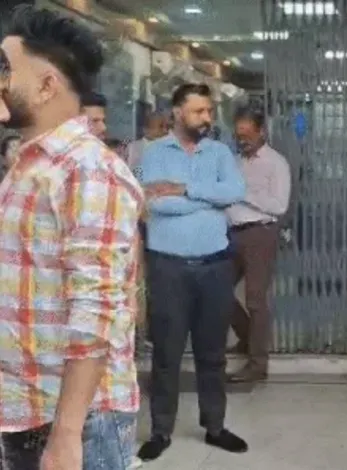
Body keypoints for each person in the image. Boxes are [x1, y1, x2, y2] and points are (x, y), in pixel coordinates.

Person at [0, 5, 143, 469]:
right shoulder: (28, 163)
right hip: (24, 405)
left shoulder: (88, 169)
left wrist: (66, 436)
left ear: (46, 86)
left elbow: (95, 310)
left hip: (76, 420)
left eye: (6, 68)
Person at [136, 82, 248, 461]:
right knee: (166, 354)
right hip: (168, 268)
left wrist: (184, 189)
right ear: (178, 112)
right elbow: (156, 204)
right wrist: (206, 199)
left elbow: (234, 191)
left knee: (212, 353)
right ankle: (160, 431)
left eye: (209, 111)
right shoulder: (153, 153)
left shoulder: (219, 151)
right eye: (199, 111)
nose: (207, 118)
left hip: (215, 266)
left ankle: (215, 426)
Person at [226, 105, 291, 383]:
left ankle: (257, 363)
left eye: (247, 135)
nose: (242, 141)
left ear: (261, 131)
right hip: (231, 234)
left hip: (260, 234)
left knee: (255, 299)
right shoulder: (235, 161)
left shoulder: (276, 163)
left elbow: (279, 205)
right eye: (239, 135)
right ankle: (247, 337)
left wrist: (245, 193)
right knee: (217, 291)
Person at [127, 111, 169, 175]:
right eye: (161, 126)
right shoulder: (133, 148)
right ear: (146, 129)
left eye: (167, 127)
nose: (165, 131)